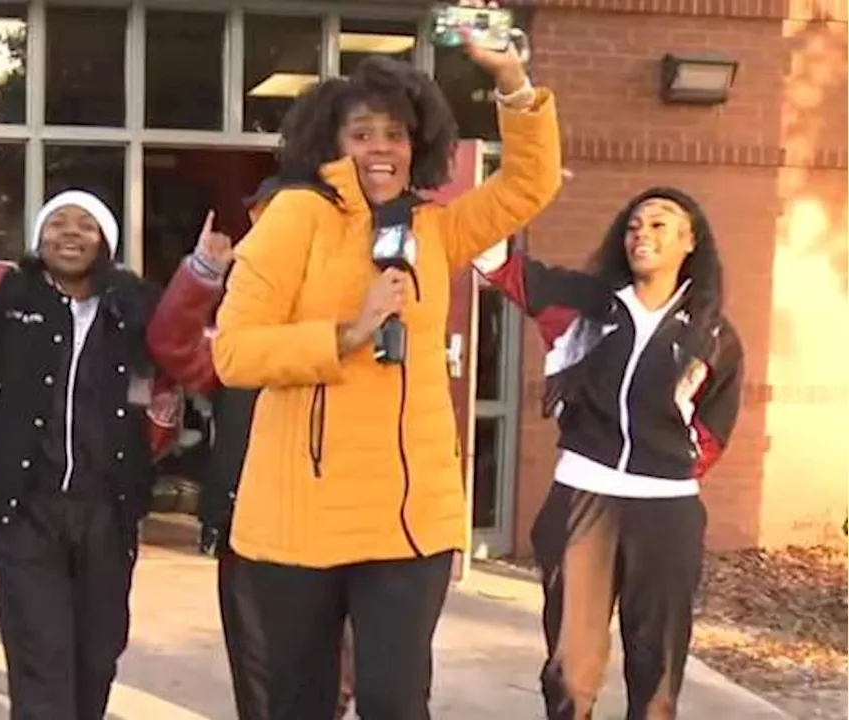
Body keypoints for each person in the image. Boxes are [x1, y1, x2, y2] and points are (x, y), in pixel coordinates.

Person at [205, 34, 563, 719]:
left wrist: (513, 79)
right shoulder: (295, 217)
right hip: (299, 519)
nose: (380, 148)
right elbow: (236, 354)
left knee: (396, 702)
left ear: (417, 144)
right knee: (299, 704)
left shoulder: (434, 229)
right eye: (361, 132)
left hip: (410, 521)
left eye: (395, 134)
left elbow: (528, 184)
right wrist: (349, 332)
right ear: (332, 142)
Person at [0, 114, 182, 719]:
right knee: (41, 655)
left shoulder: (135, 305)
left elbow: (191, 352)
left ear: (106, 242)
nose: (69, 235)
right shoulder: (1, 287)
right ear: (38, 237)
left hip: (109, 508)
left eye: (85, 226)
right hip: (27, 507)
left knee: (97, 657)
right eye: (56, 224)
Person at [472, 188, 744, 719]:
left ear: (691, 242)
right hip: (583, 498)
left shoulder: (712, 335)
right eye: (634, 225)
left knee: (656, 672)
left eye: (660, 225)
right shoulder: (584, 304)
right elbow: (498, 264)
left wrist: (667, 472)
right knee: (570, 673)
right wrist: (481, 199)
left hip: (666, 511)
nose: (642, 233)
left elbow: (714, 429)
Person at [149, 204, 359, 719]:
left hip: (340, 530)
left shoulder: (352, 331)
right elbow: (171, 345)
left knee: (333, 682)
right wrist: (201, 274)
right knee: (261, 686)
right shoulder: (234, 343)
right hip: (250, 532)